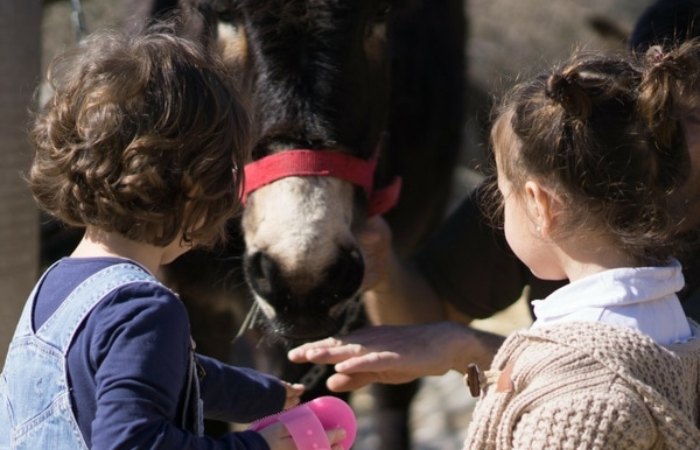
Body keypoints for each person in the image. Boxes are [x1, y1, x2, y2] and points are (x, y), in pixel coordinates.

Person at [288, 0, 700, 393]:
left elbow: (653, 389)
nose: (665, 137)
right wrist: (383, 266)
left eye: (692, 117)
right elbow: (427, 310)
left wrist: (474, 350)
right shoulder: (570, 180)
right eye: (652, 109)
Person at [0, 28, 346, 450]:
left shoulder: (52, 294)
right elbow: (134, 444)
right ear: (200, 189)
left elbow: (158, 371)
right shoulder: (146, 309)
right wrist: (261, 446)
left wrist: (266, 396)